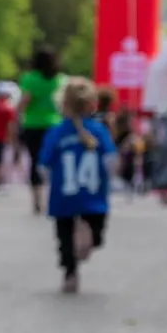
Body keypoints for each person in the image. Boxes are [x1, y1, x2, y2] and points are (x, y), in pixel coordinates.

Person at [39, 78, 115, 294]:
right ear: (92, 104)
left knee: (64, 238)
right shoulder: (98, 131)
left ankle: (70, 273)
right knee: (97, 235)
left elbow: (43, 166)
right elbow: (111, 161)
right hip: (93, 197)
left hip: (64, 196)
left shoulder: (56, 132)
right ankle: (89, 237)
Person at [17, 45, 63, 214]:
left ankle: (37, 200)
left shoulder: (30, 78)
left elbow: (25, 100)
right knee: (53, 161)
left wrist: (17, 114)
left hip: (33, 124)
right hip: (54, 124)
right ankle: (53, 194)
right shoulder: (58, 79)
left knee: (35, 161)